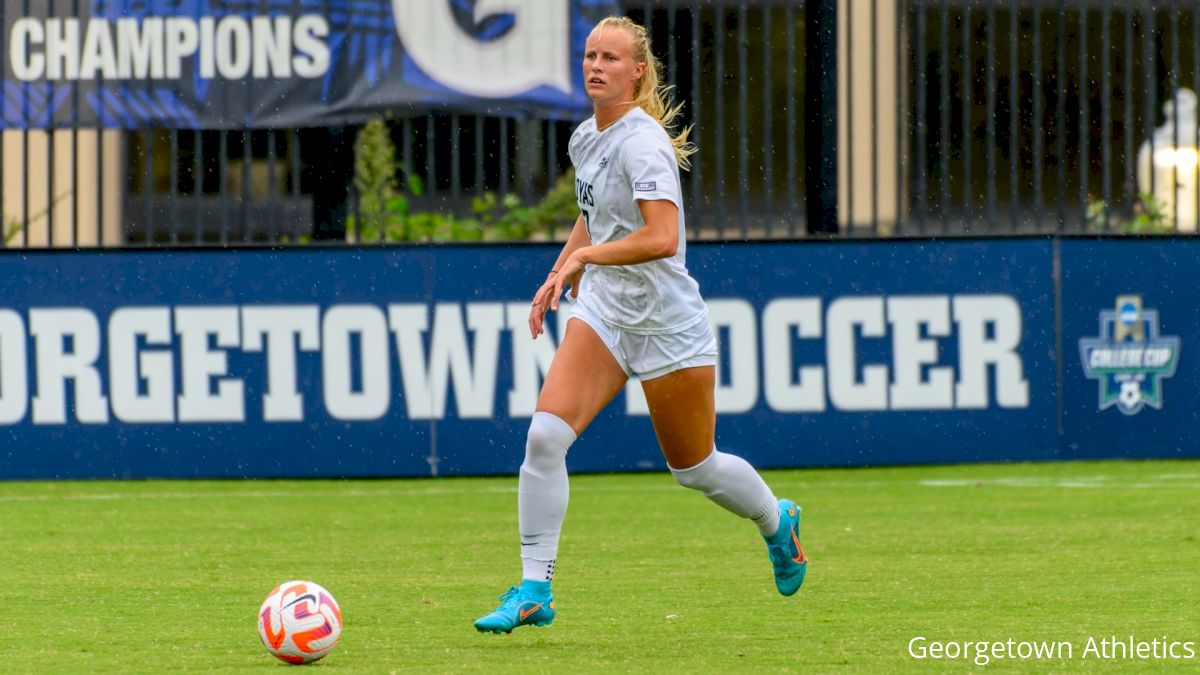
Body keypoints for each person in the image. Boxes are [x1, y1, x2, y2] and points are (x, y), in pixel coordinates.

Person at [474, 16, 806, 635]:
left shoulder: (642, 141)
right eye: (589, 55)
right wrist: (559, 274)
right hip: (605, 312)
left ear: (638, 71)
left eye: (611, 58)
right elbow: (593, 217)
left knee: (696, 468)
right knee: (545, 439)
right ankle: (533, 588)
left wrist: (585, 257)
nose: (596, 66)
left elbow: (661, 237)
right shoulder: (584, 138)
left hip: (668, 324)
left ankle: (775, 520)